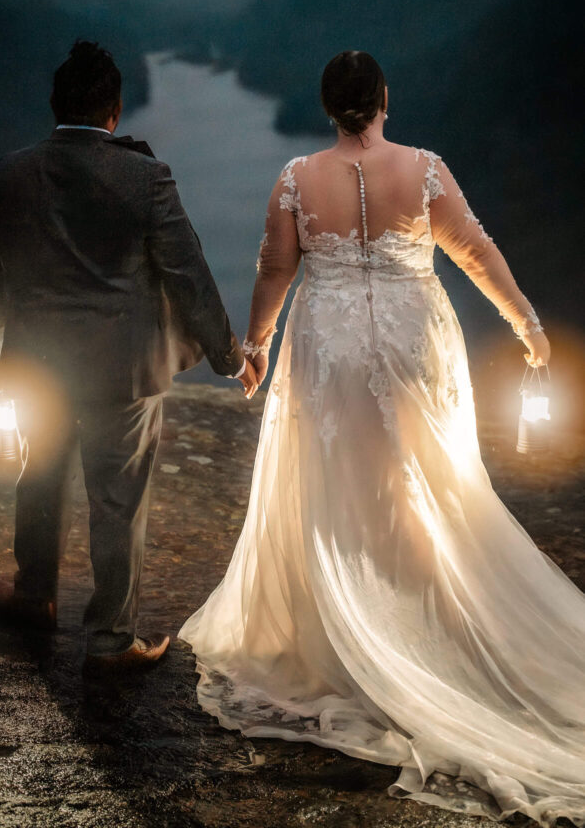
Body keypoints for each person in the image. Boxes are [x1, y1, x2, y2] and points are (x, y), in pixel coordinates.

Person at [179, 51, 585, 825]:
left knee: (341, 488)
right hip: (411, 341)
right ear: (384, 102)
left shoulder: (297, 178)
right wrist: (527, 325)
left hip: (329, 346)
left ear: (332, 108)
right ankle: (424, 613)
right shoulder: (426, 169)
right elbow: (474, 251)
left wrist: (256, 346)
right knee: (431, 481)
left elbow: (275, 269)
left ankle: (355, 631)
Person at [0, 40, 257, 674]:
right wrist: (231, 359)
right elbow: (189, 274)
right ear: (116, 110)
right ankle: (108, 639)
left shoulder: (3, 175)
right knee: (118, 501)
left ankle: (34, 595)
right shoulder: (145, 177)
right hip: (122, 372)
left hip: (33, 366)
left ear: (54, 106)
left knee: (37, 476)